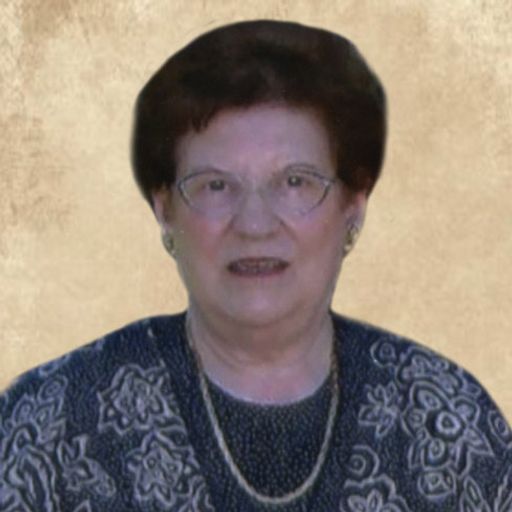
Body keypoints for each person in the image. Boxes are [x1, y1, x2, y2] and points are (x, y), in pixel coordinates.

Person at [1, 19, 510, 512]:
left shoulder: (449, 421)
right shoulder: (50, 422)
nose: (254, 224)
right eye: (215, 185)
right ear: (165, 210)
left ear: (353, 207)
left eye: (295, 182)